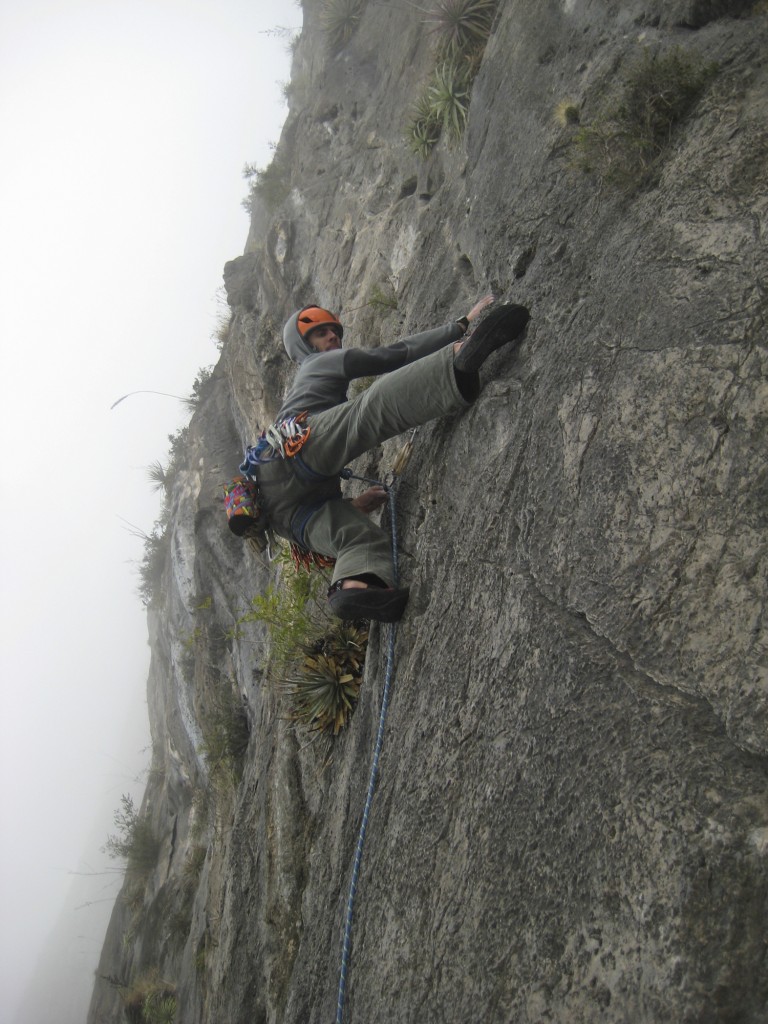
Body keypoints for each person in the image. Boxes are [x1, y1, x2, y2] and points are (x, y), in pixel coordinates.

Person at [253, 297, 530, 621]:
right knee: (370, 410)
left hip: (284, 513)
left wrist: (354, 506)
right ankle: (456, 363)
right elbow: (394, 355)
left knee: (356, 538)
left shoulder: (309, 381)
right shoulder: (316, 365)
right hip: (292, 447)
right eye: (319, 334)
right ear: (304, 346)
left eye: (334, 332)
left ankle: (355, 587)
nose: (332, 338)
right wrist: (458, 327)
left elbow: (302, 491)